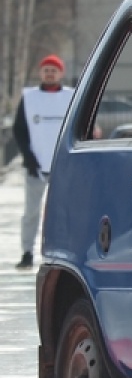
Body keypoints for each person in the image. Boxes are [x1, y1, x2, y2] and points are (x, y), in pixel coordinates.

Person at [13, 54, 73, 269]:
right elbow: (19, 130)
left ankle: (64, 253)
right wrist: (28, 158)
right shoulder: (29, 98)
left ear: (60, 73)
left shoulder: (71, 97)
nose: (49, 74)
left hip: (63, 167)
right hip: (36, 168)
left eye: (53, 70)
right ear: (41, 73)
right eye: (46, 70)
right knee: (31, 213)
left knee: (64, 212)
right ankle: (27, 252)